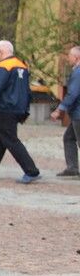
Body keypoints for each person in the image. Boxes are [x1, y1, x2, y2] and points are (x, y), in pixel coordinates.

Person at [0, 39, 41, 183]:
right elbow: (27, 92)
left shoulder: (3, 67)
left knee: (10, 140)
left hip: (5, 108)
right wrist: (25, 110)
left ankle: (31, 171)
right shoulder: (21, 66)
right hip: (16, 108)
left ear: (1, 52)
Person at [50, 45, 80, 177]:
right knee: (69, 138)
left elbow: (72, 94)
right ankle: (72, 168)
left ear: (76, 57)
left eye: (70, 56)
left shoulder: (78, 72)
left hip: (79, 113)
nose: (68, 58)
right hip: (76, 113)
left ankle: (73, 168)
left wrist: (59, 110)